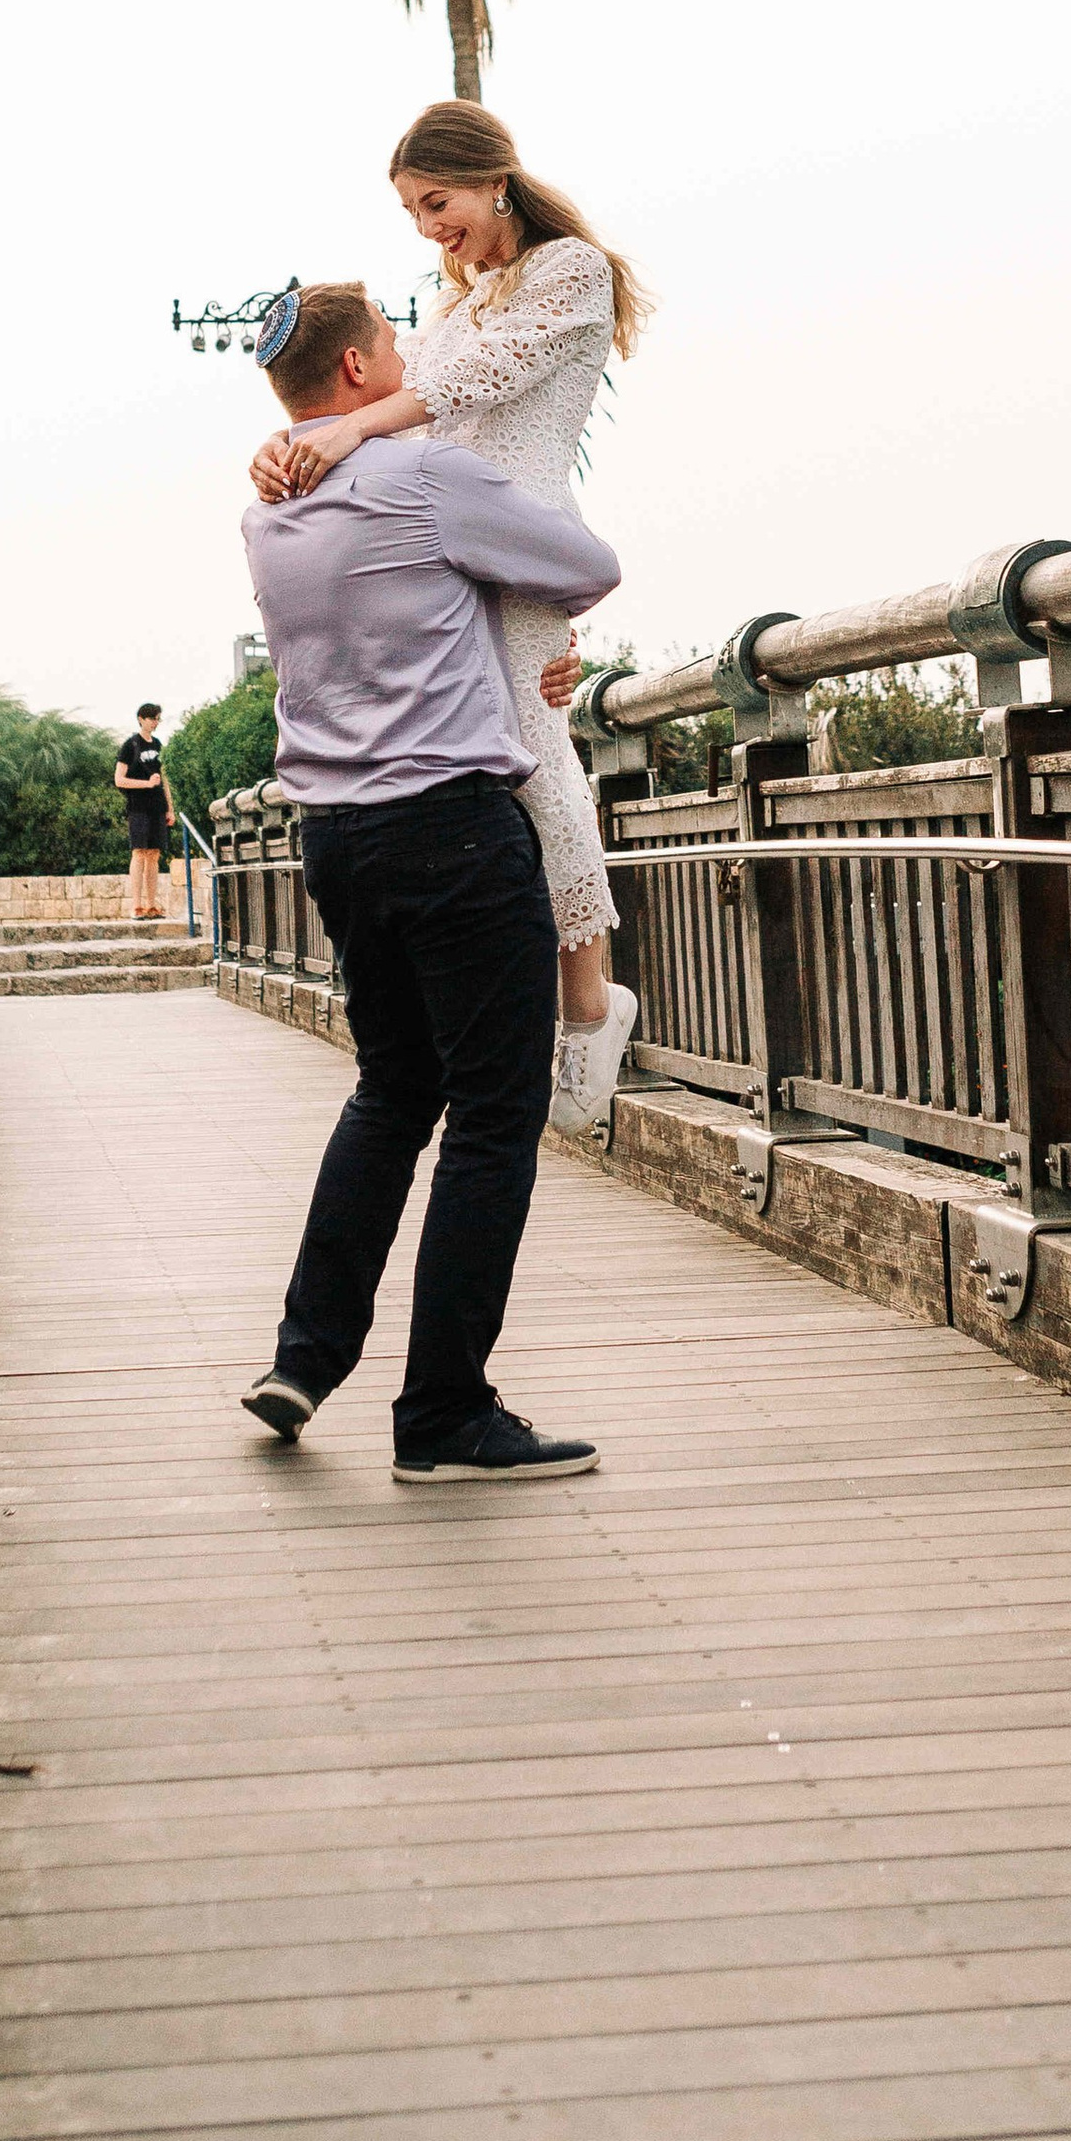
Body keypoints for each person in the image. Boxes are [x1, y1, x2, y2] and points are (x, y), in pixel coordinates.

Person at [237, 281, 620, 1481]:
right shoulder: (425, 477)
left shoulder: (263, 513)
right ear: (357, 373)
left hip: (336, 838)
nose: (409, 363)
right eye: (394, 347)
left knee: (393, 1090)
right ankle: (444, 1414)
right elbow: (586, 564)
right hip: (452, 824)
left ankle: (304, 1357)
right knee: (494, 1117)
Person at [252, 101, 644, 1132]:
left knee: (528, 748)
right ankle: (529, 1006)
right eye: (413, 212)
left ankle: (588, 1012)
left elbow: (468, 384)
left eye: (439, 202)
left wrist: (344, 437)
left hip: (513, 538)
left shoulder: (572, 272)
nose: (430, 226)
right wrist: (294, 444)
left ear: (493, 179)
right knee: (483, 760)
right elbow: (400, 384)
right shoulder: (459, 297)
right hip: (450, 545)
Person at [114, 703, 171, 919]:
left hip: (157, 806)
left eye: (157, 719)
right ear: (141, 719)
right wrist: (145, 784)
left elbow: (164, 779)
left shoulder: (158, 745)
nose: (155, 723)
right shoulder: (130, 745)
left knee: (154, 854)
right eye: (152, 718)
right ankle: (136, 905)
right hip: (138, 806)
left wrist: (170, 808)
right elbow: (119, 779)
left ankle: (151, 904)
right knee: (139, 852)